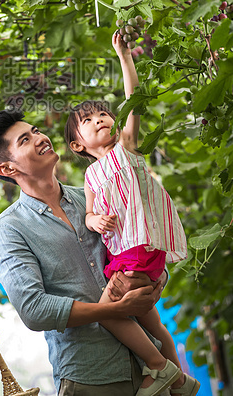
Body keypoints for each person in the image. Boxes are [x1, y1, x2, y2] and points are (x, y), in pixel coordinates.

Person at [0, 110, 168, 396]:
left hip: (153, 369)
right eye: (25, 139)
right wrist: (113, 310)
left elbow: (143, 243)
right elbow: (34, 310)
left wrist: (157, 282)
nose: (41, 138)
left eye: (37, 130)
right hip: (89, 375)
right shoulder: (8, 230)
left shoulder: (93, 194)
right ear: (7, 169)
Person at [63, 31, 199, 396]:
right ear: (78, 145)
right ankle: (181, 383)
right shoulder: (91, 174)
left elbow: (132, 102)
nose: (100, 119)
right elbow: (90, 214)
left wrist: (124, 56)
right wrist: (95, 220)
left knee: (108, 313)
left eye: (103, 114)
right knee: (149, 320)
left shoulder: (126, 148)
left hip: (139, 246)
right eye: (88, 120)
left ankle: (159, 369)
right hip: (124, 252)